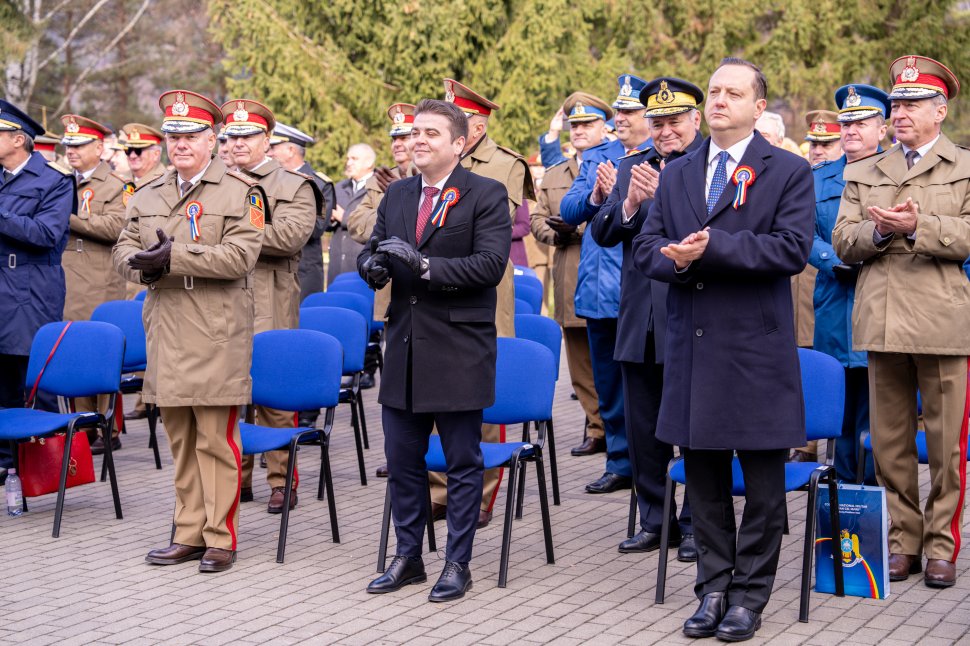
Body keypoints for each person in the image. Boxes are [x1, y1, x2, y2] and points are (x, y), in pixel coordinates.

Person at [634, 58, 814, 641]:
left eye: (733, 93)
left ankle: (750, 595)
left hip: (755, 348)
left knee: (763, 484)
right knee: (703, 477)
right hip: (694, 345)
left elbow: (790, 250)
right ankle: (713, 587)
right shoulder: (680, 172)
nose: (718, 101)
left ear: (759, 108)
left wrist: (713, 249)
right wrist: (673, 259)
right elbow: (645, 249)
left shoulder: (786, 170)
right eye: (713, 91)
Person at [359, 98, 511, 602]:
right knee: (403, 461)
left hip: (458, 349)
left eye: (430, 133)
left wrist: (424, 267)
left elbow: (490, 265)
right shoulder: (399, 194)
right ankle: (408, 557)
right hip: (403, 346)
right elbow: (375, 246)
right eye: (413, 132)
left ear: (459, 143)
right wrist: (371, 266)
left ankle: (457, 562)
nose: (417, 140)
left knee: (461, 463)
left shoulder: (485, 193)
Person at [113, 89, 264, 573]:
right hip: (168, 330)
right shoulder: (150, 191)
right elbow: (122, 249)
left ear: (212, 139)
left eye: (190, 134)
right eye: (172, 135)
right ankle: (188, 531)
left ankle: (220, 537)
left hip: (216, 331)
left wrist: (174, 257)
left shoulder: (240, 191)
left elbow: (242, 256)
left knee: (215, 441)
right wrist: (143, 266)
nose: (179, 143)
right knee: (179, 438)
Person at [832, 55, 969, 589]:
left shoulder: (963, 166)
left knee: (945, 448)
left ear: (941, 111)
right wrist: (883, 234)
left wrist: (920, 228)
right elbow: (844, 241)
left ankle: (941, 545)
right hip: (883, 321)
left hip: (943, 321)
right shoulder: (865, 171)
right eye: (896, 103)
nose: (901, 112)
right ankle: (902, 542)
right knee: (888, 446)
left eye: (912, 103)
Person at [590, 77, 704, 561]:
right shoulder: (632, 166)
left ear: (695, 120)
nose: (665, 131)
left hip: (694, 316)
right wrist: (632, 202)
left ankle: (698, 523)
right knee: (644, 430)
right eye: (657, 122)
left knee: (697, 429)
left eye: (674, 121)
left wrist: (663, 201)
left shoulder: (710, 166)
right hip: (641, 320)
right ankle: (655, 520)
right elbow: (602, 231)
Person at [436, 78, 534, 527]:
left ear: (477, 126)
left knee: (481, 393)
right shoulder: (433, 160)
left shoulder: (504, 163)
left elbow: (487, 225)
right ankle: (440, 490)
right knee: (437, 391)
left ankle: (480, 495)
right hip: (436, 292)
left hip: (483, 293)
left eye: (458, 122)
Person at [223, 99, 319, 513]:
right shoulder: (215, 183)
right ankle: (235, 480)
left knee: (273, 398)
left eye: (248, 136)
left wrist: (232, 231)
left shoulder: (292, 185)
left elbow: (289, 238)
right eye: (233, 137)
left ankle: (281, 480)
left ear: (267, 139)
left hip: (268, 300)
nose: (239, 144)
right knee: (228, 395)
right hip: (222, 300)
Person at [560, 74, 652, 493]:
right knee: (608, 386)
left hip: (638, 291)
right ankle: (619, 462)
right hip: (597, 292)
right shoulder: (600, 156)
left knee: (645, 390)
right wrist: (596, 197)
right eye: (620, 112)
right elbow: (569, 208)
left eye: (631, 112)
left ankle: (651, 462)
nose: (623, 119)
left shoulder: (662, 154)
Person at [809, 84, 890, 484]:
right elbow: (799, 234)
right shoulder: (819, 179)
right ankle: (841, 499)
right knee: (838, 407)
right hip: (835, 304)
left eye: (861, 122)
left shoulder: (898, 175)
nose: (851, 129)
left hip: (882, 302)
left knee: (877, 410)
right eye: (846, 122)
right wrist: (831, 258)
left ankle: (874, 497)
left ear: (882, 128)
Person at [0, 100, 75, 473]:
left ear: (19, 139)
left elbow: (47, 233)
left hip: (31, 287)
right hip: (2, 287)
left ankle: (48, 465)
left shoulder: (54, 180)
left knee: (36, 376)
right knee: (1, 378)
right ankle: (6, 461)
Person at [530, 94, 607, 457]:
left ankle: (617, 426)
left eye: (587, 124)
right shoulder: (557, 171)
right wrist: (556, 233)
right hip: (569, 273)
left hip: (607, 277)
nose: (579, 131)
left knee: (612, 360)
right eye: (574, 126)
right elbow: (536, 218)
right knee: (580, 365)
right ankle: (597, 427)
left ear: (604, 127)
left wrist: (576, 230)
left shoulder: (617, 161)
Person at [346, 103, 416, 474]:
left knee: (430, 386)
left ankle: (428, 459)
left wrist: (400, 200)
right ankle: (400, 457)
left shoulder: (434, 176)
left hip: (430, 291)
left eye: (406, 136)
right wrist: (393, 200)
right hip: (393, 294)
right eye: (395, 137)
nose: (399, 144)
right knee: (397, 384)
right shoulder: (381, 180)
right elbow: (357, 225)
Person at [60, 114, 132, 453]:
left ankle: (108, 428)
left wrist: (67, 218)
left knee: (101, 355)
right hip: (67, 282)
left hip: (100, 282)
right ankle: (84, 425)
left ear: (99, 148)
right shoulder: (61, 182)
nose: (71, 151)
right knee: (73, 354)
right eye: (68, 145)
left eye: (79, 145)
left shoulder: (118, 186)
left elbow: (117, 227)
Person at [268, 122, 335, 302]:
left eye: (274, 147)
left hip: (303, 271)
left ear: (291, 150)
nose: (269, 152)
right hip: (272, 270)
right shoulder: (270, 181)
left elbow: (315, 228)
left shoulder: (320, 184)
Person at [329, 143, 375, 284]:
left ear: (369, 162)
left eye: (354, 159)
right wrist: (328, 218)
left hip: (362, 267)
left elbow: (377, 225)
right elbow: (327, 224)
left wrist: (344, 217)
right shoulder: (339, 187)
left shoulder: (380, 187)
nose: (349, 163)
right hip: (337, 266)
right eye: (348, 159)